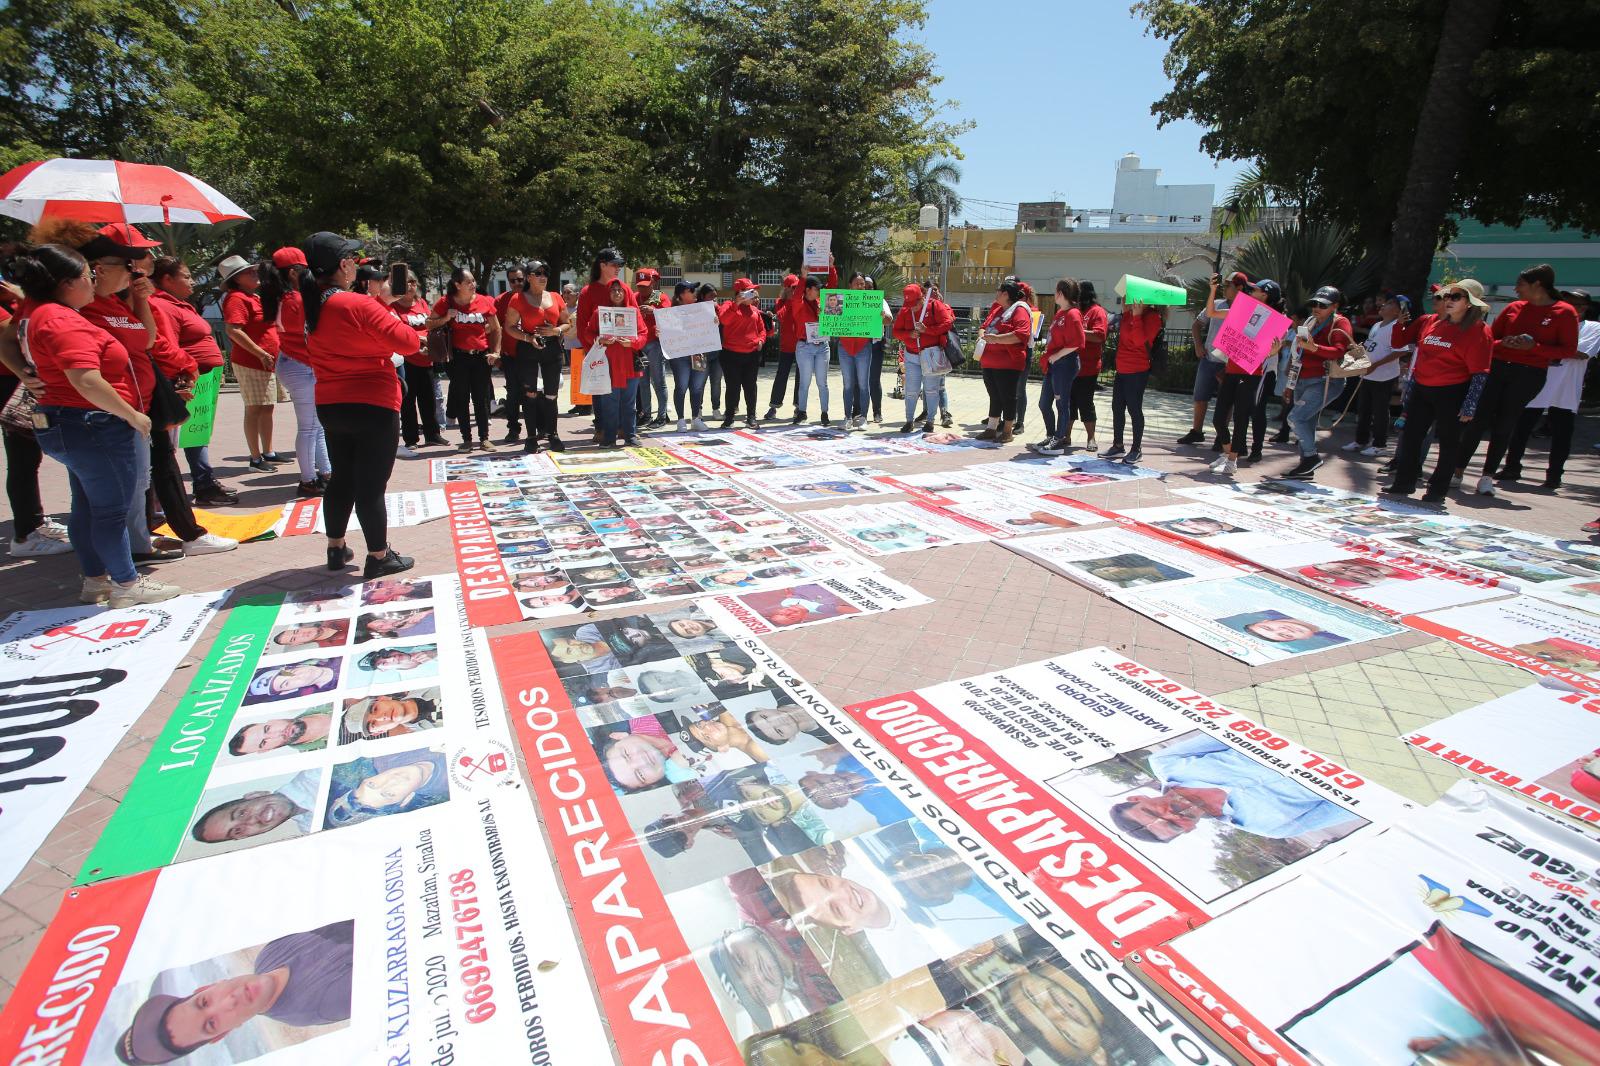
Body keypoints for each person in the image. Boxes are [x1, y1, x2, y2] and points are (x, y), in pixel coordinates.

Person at [0, 243, 178, 606]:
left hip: (70, 422)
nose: (92, 281)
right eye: (87, 276)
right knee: (111, 510)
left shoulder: (38, 312)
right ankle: (127, 584)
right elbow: (86, 379)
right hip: (92, 423)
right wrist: (133, 415)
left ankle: (96, 581)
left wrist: (24, 373)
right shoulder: (61, 318)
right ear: (67, 282)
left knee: (87, 506)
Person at [73, 223, 237, 560]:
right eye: (132, 261)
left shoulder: (123, 302)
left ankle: (138, 544)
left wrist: (139, 299)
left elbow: (145, 341)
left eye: (141, 260)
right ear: (98, 268)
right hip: (115, 413)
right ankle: (121, 564)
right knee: (115, 493)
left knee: (140, 482)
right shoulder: (83, 309)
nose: (142, 265)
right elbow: (91, 371)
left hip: (139, 405)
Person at [298, 231, 417, 577]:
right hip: (372, 402)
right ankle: (379, 556)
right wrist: (384, 305)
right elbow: (407, 342)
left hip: (331, 403)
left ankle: (336, 548)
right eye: (351, 258)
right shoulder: (356, 303)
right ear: (344, 265)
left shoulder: (311, 303)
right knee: (370, 485)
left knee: (342, 479)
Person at [114, 921, 354, 1064]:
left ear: (205, 988)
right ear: (221, 1035)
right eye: (211, 1023)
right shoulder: (323, 1002)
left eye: (204, 1002)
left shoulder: (268, 956)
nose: (229, 1001)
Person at [1455, 263, 1580, 496]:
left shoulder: (1564, 312)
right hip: (1498, 367)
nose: (1515, 289)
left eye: (1520, 284)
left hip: (1529, 373)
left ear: (1537, 285)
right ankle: (1458, 471)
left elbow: (1568, 349)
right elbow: (1490, 339)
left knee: (1506, 423)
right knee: (1477, 419)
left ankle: (1487, 476)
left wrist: (1535, 346)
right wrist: (1506, 343)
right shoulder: (1514, 307)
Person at [1109, 733, 1353, 842]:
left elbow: (1233, 729)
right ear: (1189, 830)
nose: (1171, 815)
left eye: (1153, 812)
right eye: (1173, 825)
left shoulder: (1167, 763)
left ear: (1137, 797)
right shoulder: (1271, 828)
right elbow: (1357, 803)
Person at [1384, 279, 1494, 504]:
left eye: (1455, 297)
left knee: (1448, 441)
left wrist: (1470, 404)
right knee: (1412, 436)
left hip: (1453, 391)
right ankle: (1404, 481)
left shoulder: (1478, 330)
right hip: (1423, 388)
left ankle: (1437, 489)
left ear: (1470, 304)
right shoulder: (1432, 322)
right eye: (1447, 296)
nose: (1448, 301)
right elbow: (1417, 354)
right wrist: (1399, 324)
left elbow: (1480, 372)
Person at [149, 256, 240, 506]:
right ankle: (194, 487)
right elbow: (167, 345)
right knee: (184, 437)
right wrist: (185, 375)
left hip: (201, 378)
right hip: (186, 380)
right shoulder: (162, 306)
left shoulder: (178, 304)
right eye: (186, 276)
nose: (191, 281)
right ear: (167, 279)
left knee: (197, 435)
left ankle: (204, 482)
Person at [1502, 288, 1599, 491]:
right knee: (1521, 429)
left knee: (1562, 435)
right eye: (1568, 302)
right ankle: (1512, 467)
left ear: (1586, 308)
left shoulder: (1594, 328)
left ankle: (1554, 476)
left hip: (1566, 389)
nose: (1572, 307)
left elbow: (1580, 353)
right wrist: (1549, 349)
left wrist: (1537, 347)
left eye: (1577, 303)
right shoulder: (1554, 322)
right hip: (1538, 381)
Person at [0, 285, 69, 558]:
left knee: (27, 460)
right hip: (9, 386)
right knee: (23, 460)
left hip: (18, 382)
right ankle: (26, 533)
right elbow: (8, 335)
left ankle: (33, 524)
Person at [262, 246, 331, 496]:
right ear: (293, 273)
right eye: (305, 270)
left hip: (295, 364)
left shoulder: (285, 298)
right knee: (310, 427)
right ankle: (308, 479)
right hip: (300, 365)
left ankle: (324, 473)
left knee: (316, 425)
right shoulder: (295, 300)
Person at [217, 254, 286, 472]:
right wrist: (260, 353)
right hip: (252, 362)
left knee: (267, 408)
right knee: (254, 409)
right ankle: (255, 458)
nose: (254, 273)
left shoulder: (252, 297)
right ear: (236, 278)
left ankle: (268, 451)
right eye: (248, 272)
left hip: (265, 362)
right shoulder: (236, 298)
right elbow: (233, 330)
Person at [1280, 285, 1355, 479]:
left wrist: (1314, 347)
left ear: (1335, 306)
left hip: (1324, 380)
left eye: (1323, 305)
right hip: (1302, 379)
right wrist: (1290, 385)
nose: (1317, 307)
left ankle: (1311, 458)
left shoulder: (1341, 322)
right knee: (1307, 422)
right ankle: (1306, 466)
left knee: (1295, 418)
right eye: (1314, 303)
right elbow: (1299, 354)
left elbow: (1339, 351)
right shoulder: (1311, 321)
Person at [427, 266, 501, 452]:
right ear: (457, 284)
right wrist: (446, 317)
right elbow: (429, 324)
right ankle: (466, 439)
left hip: (481, 357)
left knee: (481, 398)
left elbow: (496, 328)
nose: (473, 284)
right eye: (468, 282)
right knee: (461, 398)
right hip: (457, 357)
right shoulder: (446, 302)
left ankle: (484, 438)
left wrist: (496, 352)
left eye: (473, 281)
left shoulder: (484, 301)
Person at [502, 260, 571, 453]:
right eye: (538, 273)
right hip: (528, 349)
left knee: (551, 395)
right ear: (529, 277)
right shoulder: (518, 299)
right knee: (530, 394)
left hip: (552, 349)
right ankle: (531, 437)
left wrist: (556, 330)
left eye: (545, 273)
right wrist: (528, 337)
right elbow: (508, 327)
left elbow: (567, 323)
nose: (543, 277)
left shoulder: (556, 297)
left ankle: (553, 435)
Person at [1207, 276, 1270, 477]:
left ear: (1265, 295)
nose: (1251, 292)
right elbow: (1211, 312)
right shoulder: (1241, 310)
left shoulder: (1271, 317)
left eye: (1256, 290)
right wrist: (1212, 290)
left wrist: (1273, 350)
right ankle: (1228, 454)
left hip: (1250, 373)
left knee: (1241, 417)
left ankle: (1232, 460)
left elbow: (1271, 348)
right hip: (1231, 370)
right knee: (1218, 418)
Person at [1181, 270, 1248, 449]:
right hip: (1209, 359)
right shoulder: (1216, 304)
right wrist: (1198, 345)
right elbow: (1197, 324)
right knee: (1200, 397)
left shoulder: (1246, 310)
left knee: (1226, 402)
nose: (1224, 288)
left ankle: (1222, 437)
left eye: (1228, 285)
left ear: (1240, 288)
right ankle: (1197, 431)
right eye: (1224, 285)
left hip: (1230, 364)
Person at [1343, 292, 1413, 457]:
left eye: (1389, 304)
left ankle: (1380, 444)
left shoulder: (1397, 327)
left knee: (1380, 411)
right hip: (1367, 373)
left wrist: (1376, 365)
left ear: (1398, 311)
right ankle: (1361, 440)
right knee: (1364, 409)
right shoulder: (1377, 325)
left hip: (1384, 376)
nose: (1383, 305)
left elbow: (1399, 352)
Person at [390, 269, 447, 452]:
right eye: (406, 282)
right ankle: (410, 437)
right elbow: (397, 330)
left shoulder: (421, 302)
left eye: (413, 282)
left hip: (426, 358)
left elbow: (430, 325)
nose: (410, 286)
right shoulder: (394, 307)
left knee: (429, 399)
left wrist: (430, 343)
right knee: (408, 401)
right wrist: (418, 340)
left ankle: (433, 434)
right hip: (407, 360)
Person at [587, 278, 647, 447]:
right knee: (609, 403)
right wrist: (601, 339)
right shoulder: (600, 313)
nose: (617, 293)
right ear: (608, 293)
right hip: (608, 365)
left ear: (626, 292)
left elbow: (643, 334)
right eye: (613, 290)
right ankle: (609, 437)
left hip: (630, 365)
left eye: (620, 290)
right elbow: (588, 333)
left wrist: (632, 343)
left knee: (630, 403)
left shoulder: (633, 313)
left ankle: (630, 435)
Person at [1100, 299, 1162, 462]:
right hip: (1122, 369)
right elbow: (1124, 341)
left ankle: (1137, 449)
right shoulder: (1127, 315)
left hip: (1137, 370)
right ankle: (1118, 445)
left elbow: (1138, 340)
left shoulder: (1153, 317)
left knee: (1134, 409)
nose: (1127, 301)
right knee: (1117, 407)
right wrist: (1130, 314)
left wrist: (1137, 316)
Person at [891, 282, 954, 434]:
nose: (912, 307)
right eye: (909, 303)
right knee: (911, 390)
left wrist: (928, 330)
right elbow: (896, 331)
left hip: (931, 354)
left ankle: (930, 421)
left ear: (922, 297)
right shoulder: (905, 310)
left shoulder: (935, 306)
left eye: (915, 303)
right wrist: (909, 334)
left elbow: (948, 323)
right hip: (911, 355)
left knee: (931, 390)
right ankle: (909, 421)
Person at [1032, 278, 1086, 454]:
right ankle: (1051, 435)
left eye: (1056, 291)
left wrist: (1056, 355)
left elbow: (1078, 341)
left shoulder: (1073, 314)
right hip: (1054, 364)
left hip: (1065, 363)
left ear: (1061, 293)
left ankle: (1059, 437)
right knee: (1044, 403)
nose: (1054, 294)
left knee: (1061, 403)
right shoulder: (1060, 313)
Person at [974, 279, 1031, 443]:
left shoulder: (1019, 310)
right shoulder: (999, 309)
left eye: (998, 290)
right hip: (990, 362)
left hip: (1008, 363)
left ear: (1006, 294)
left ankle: (1007, 431)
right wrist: (982, 336)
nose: (996, 293)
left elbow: (1021, 334)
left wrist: (996, 339)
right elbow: (984, 326)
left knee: (1008, 397)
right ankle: (991, 428)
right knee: (995, 396)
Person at [190, 773, 319, 842]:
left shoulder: (316, 774)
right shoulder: (311, 830)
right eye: (238, 831)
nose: (250, 821)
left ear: (255, 795)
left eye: (241, 813)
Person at [717, 277, 769, 428]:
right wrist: (736, 304)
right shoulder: (728, 305)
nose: (753, 295)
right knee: (733, 387)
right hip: (731, 354)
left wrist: (761, 340)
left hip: (751, 354)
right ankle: (729, 417)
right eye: (750, 292)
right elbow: (724, 320)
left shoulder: (754, 310)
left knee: (750, 386)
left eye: (753, 292)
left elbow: (762, 329)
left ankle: (751, 416)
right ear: (740, 293)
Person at [788, 267, 837, 426]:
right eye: (817, 289)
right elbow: (796, 296)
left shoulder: (821, 302)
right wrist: (803, 276)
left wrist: (832, 267)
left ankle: (824, 413)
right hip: (805, 346)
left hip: (822, 346)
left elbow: (833, 289)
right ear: (808, 290)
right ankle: (802, 412)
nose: (820, 291)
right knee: (805, 382)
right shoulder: (799, 304)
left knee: (822, 382)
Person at [1069, 280, 1107, 451]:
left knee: (1085, 402)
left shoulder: (1097, 311)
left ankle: (1091, 438)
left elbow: (1099, 336)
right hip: (1069, 366)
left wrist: (1077, 330)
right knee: (1069, 402)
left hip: (1088, 367)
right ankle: (1066, 435)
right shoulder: (1074, 311)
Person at [837, 272, 876, 429]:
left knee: (863, 384)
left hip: (863, 347)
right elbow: (830, 319)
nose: (861, 286)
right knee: (847, 384)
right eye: (857, 283)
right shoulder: (840, 301)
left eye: (863, 284)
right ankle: (847, 417)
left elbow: (887, 320)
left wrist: (883, 316)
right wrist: (824, 314)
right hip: (844, 347)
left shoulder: (871, 301)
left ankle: (863, 418)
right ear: (850, 286)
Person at [633, 267, 670, 427]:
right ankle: (646, 415)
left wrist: (654, 310)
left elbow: (670, 316)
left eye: (646, 285)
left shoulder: (661, 297)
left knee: (658, 381)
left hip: (655, 344)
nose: (643, 288)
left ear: (653, 283)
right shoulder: (634, 297)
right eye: (640, 285)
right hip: (639, 345)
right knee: (643, 382)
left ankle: (662, 416)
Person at [494, 263, 526, 442]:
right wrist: (496, 353)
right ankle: (513, 428)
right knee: (512, 394)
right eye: (512, 280)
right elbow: (495, 328)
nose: (516, 283)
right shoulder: (500, 301)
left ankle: (539, 427)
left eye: (520, 279)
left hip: (531, 355)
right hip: (510, 356)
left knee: (534, 393)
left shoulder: (534, 297)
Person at [763, 273, 801, 421]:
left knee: (801, 378)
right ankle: (773, 407)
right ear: (786, 289)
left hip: (802, 345)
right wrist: (791, 300)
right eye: (793, 288)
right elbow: (782, 316)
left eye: (798, 287)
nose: (796, 290)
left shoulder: (803, 301)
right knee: (781, 376)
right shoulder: (781, 302)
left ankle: (799, 407)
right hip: (786, 346)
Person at [228, 709, 332, 755]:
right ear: (266, 750)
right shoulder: (316, 756)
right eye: (264, 742)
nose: (276, 734)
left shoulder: (320, 702)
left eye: (267, 729)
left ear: (273, 720)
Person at [695, 282, 725, 413]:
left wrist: (717, 311)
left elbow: (725, 321)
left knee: (716, 382)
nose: (713, 300)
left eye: (715, 297)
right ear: (702, 296)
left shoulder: (718, 309)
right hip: (701, 353)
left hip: (717, 353)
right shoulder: (694, 310)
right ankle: (698, 410)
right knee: (699, 384)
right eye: (710, 297)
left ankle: (716, 409)